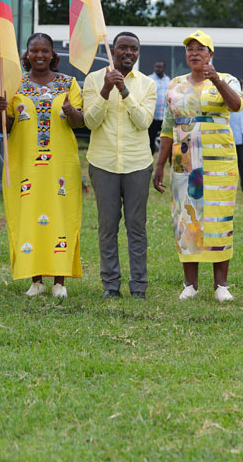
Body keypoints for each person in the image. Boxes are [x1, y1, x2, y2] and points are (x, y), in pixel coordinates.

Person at [153, 30, 243, 302]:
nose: (194, 53)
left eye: (200, 49)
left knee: (219, 218)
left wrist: (216, 80)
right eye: (190, 49)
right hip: (184, 161)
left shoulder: (227, 79)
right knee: (187, 219)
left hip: (219, 162)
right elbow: (167, 127)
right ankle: (190, 285)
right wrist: (160, 165)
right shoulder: (176, 85)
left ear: (210, 54)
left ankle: (221, 285)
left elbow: (236, 105)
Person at [0, 33, 84, 297]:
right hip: (25, 164)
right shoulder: (15, 85)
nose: (40, 55)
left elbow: (79, 122)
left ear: (52, 54)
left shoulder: (68, 84)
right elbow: (6, 126)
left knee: (61, 217)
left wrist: (69, 111)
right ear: (27, 54)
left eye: (45, 51)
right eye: (34, 51)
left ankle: (59, 282)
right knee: (28, 216)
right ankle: (36, 280)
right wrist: (1, 109)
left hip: (61, 165)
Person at [82, 32, 157, 299]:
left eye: (133, 49)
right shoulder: (93, 79)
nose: (128, 52)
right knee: (107, 227)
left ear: (138, 52)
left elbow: (144, 122)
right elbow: (90, 122)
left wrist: (124, 91)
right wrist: (105, 89)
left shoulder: (148, 84)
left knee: (136, 227)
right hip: (103, 164)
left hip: (137, 164)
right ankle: (111, 286)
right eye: (123, 48)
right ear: (113, 51)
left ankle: (138, 286)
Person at [229, 92, 243, 192]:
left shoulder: (240, 104)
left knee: (242, 163)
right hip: (227, 140)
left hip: (239, 139)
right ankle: (230, 187)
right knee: (228, 165)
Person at [148, 61, 170, 153]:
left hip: (164, 116)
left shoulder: (168, 80)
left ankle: (168, 157)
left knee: (167, 138)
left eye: (160, 67)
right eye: (156, 67)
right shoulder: (149, 79)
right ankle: (150, 156)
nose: (158, 69)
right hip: (153, 116)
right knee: (151, 138)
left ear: (164, 68)